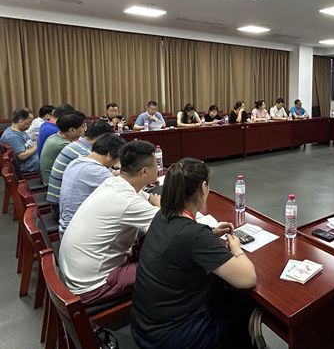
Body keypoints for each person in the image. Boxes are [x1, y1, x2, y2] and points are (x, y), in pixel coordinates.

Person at [130, 158, 257, 349]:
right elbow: (248, 278)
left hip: (143, 327)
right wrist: (236, 248)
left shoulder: (161, 215)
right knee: (242, 302)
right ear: (203, 187)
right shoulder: (194, 236)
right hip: (173, 338)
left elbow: (181, 239)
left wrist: (209, 232)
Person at [58, 140, 161, 306]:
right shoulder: (127, 201)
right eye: (156, 165)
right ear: (145, 171)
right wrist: (158, 206)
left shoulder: (113, 182)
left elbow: (145, 197)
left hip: (75, 273)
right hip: (93, 286)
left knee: (146, 244)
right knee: (168, 265)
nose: (158, 168)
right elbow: (169, 226)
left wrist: (152, 201)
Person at [59, 133, 125, 235]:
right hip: (77, 234)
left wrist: (114, 173)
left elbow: (102, 176)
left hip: (67, 227)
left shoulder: (77, 162)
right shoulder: (97, 172)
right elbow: (125, 192)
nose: (116, 163)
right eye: (117, 160)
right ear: (109, 155)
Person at [47, 119, 115, 205]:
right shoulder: (83, 152)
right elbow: (106, 174)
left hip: (60, 197)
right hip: (60, 202)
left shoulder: (78, 144)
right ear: (101, 138)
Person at [40, 111, 87, 186]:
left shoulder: (54, 136)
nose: (85, 129)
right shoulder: (64, 145)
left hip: (50, 179)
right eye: (83, 127)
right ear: (72, 130)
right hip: (54, 185)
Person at [0, 108, 40, 173]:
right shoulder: (12, 137)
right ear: (21, 121)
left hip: (31, 158)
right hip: (25, 165)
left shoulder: (19, 131)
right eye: (29, 122)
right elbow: (22, 156)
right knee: (50, 158)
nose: (31, 125)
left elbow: (29, 145)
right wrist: (37, 145)